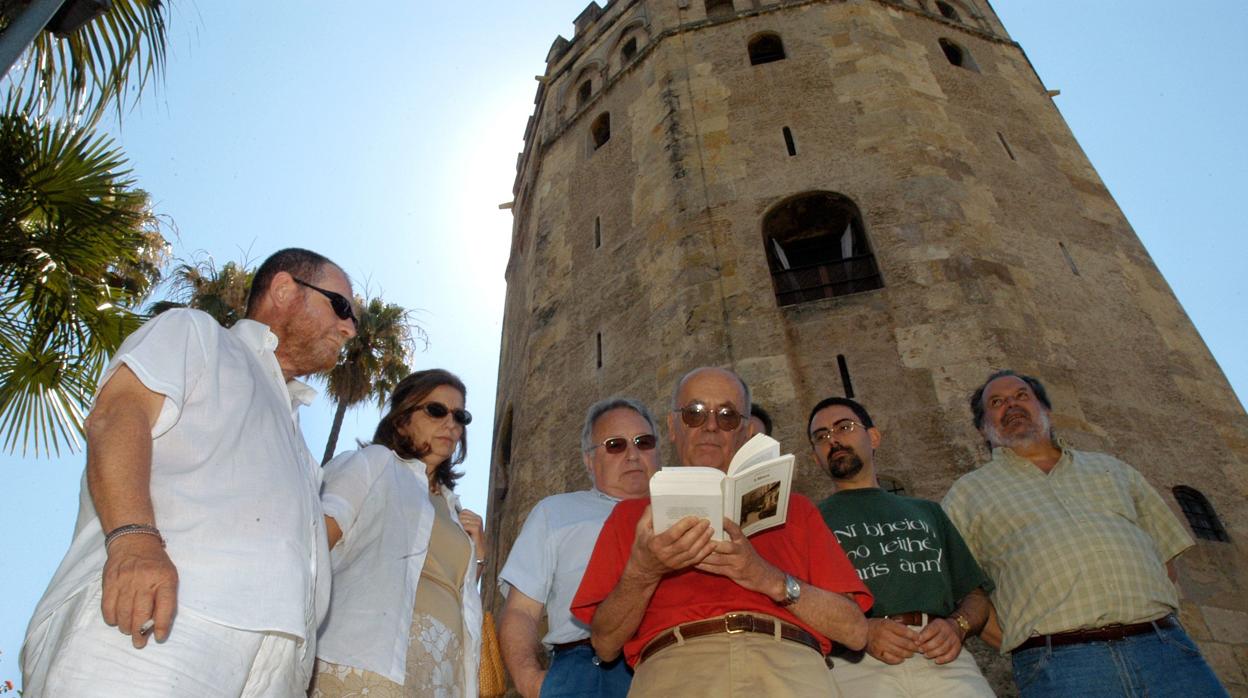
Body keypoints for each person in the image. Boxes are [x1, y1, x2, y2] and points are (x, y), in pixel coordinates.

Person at [21, 248, 358, 697]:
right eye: (341, 306)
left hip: (275, 669)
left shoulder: (298, 443)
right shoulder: (196, 333)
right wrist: (134, 541)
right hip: (159, 619)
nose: (349, 327)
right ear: (283, 290)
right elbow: (120, 414)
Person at [571, 366, 872, 696]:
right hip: (674, 671)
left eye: (727, 416)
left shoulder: (795, 508)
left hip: (791, 667)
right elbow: (605, 644)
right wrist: (644, 571)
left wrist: (766, 578)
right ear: (673, 426)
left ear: (743, 432)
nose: (711, 425)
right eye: (695, 413)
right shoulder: (631, 516)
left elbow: (855, 631)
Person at [942, 370, 1227, 698]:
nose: (1011, 405)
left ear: (1045, 409)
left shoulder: (1113, 469)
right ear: (983, 427)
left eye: (1021, 396)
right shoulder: (966, 495)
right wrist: (1019, 643)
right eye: (996, 402)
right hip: (1062, 665)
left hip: (1165, 650)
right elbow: (960, 589)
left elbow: (1164, 560)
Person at [311, 369, 486, 697]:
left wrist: (479, 556)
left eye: (460, 416)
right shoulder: (374, 463)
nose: (451, 423)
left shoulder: (453, 508)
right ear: (402, 420)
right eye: (436, 410)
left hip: (440, 672)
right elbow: (316, 542)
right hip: (366, 658)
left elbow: (452, 590)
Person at [809, 397, 995, 697]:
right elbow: (798, 600)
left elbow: (975, 595)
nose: (834, 440)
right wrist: (863, 632)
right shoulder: (809, 521)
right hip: (855, 665)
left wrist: (957, 626)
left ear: (873, 437)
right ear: (815, 457)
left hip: (943, 659)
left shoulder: (927, 512)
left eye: (844, 427)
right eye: (821, 437)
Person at [497, 397, 660, 698]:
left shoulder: (687, 511)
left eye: (644, 442)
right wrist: (530, 681)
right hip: (589, 673)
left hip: (674, 663)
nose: (633, 455)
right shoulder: (556, 512)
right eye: (615, 445)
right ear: (589, 459)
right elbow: (521, 610)